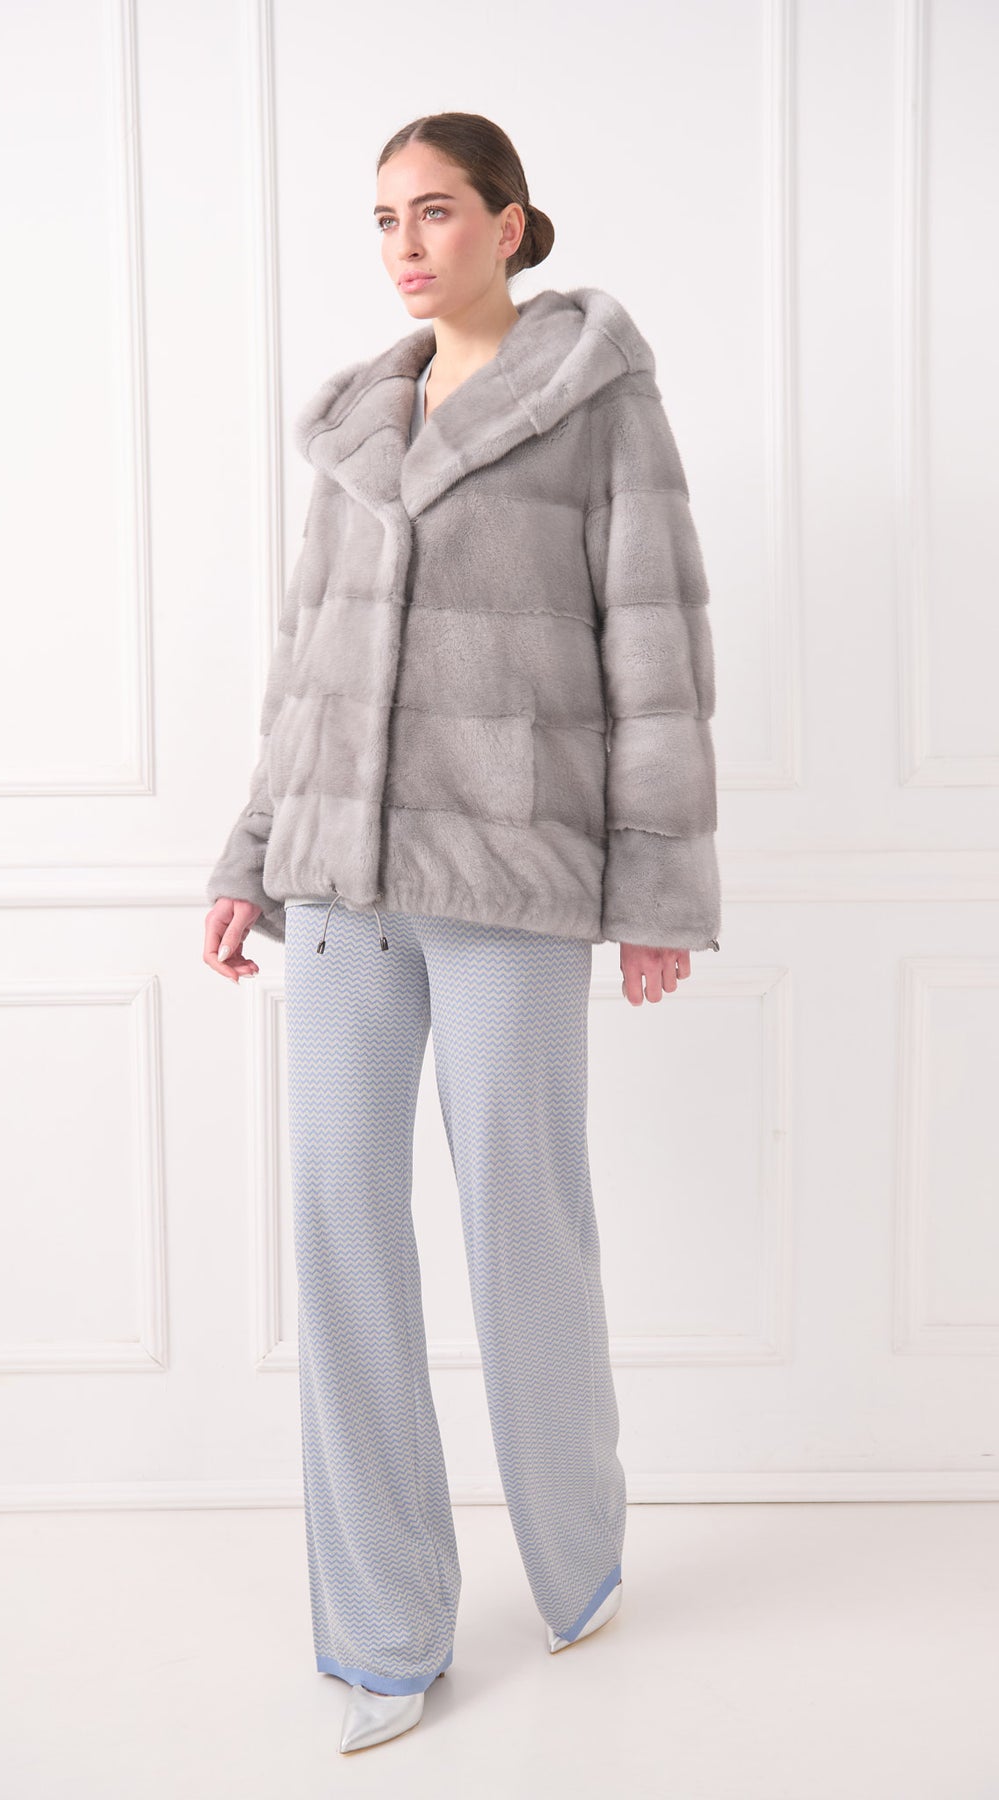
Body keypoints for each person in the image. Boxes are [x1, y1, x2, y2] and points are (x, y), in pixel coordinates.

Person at [202, 111, 722, 1755]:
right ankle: (382, 1632)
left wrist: (654, 894)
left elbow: (655, 653)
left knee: (523, 1225)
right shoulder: (357, 424)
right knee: (339, 1233)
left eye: (435, 212)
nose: (406, 245)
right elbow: (305, 667)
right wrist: (252, 853)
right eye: (382, 219)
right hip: (340, 889)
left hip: (509, 886)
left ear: (509, 222)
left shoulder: (598, 403)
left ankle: (577, 1559)